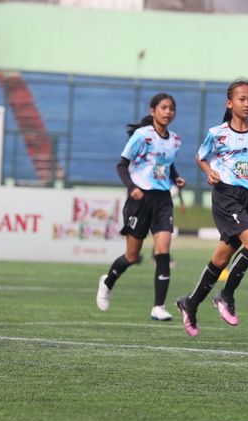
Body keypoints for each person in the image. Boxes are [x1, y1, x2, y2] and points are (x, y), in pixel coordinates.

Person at [174, 77, 248, 337]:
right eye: (242, 99)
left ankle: (190, 303)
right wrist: (209, 172)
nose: (247, 104)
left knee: (221, 258)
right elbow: (201, 157)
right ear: (230, 102)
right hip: (226, 196)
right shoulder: (218, 134)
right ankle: (226, 296)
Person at [96, 93, 185, 321]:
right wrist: (132, 187)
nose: (167, 112)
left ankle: (158, 307)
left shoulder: (174, 140)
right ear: (153, 110)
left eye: (171, 109)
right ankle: (107, 283)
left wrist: (176, 178)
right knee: (132, 256)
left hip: (163, 200)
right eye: (163, 108)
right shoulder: (141, 136)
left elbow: (167, 164)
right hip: (140, 200)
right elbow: (122, 165)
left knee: (162, 251)